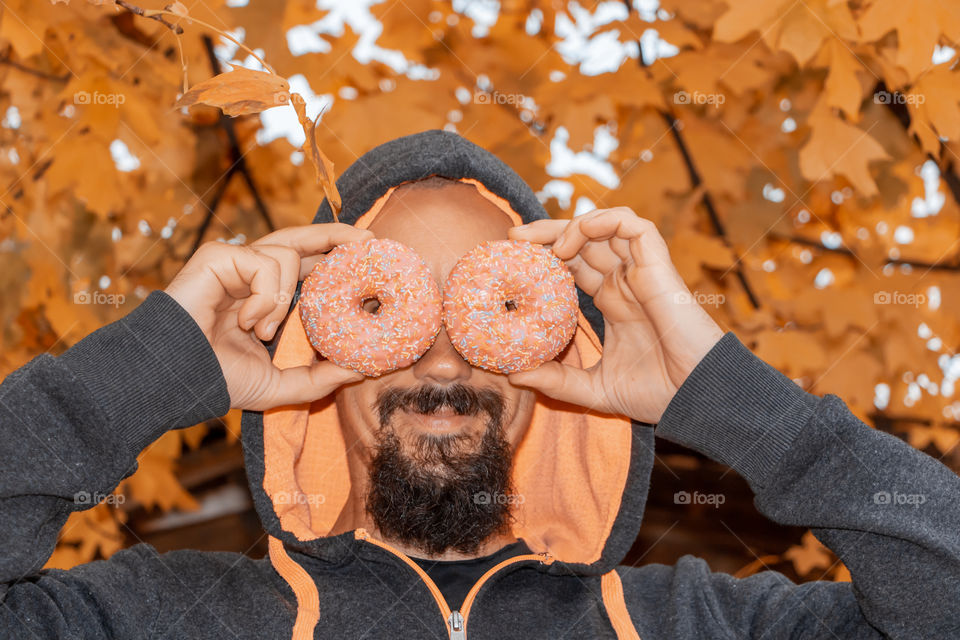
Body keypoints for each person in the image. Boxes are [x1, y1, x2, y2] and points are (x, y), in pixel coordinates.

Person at [0, 130, 957, 640]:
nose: (446, 362)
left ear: (563, 363)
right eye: (397, 314)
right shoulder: (161, 619)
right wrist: (141, 373)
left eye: (485, 317)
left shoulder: (702, 623)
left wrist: (729, 397)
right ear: (311, 345)